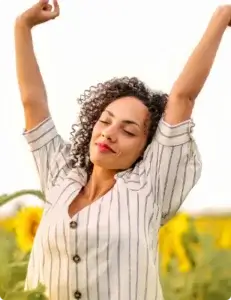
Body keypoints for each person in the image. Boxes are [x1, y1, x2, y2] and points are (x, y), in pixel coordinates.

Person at [14, 0, 230, 299]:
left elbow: (183, 96)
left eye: (128, 130)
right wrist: (22, 26)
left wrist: (222, 16)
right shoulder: (60, 176)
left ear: (146, 147)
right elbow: (32, 102)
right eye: (105, 121)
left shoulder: (149, 188)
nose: (109, 133)